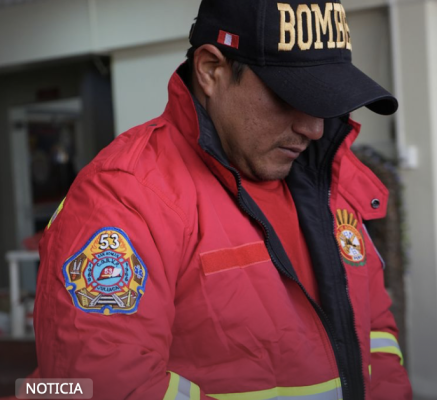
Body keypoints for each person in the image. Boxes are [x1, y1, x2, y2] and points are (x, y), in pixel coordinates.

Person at [32, 0, 411, 399]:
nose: (314, 128)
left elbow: (375, 335)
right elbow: (100, 385)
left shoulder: (333, 182)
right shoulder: (125, 197)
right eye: (290, 97)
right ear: (211, 70)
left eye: (326, 99)